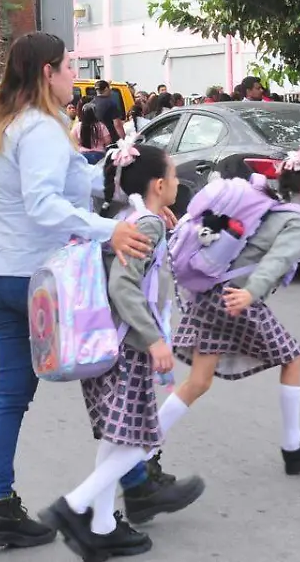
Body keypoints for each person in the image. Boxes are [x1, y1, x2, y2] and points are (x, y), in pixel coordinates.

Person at [0, 32, 202, 550]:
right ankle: (125, 489)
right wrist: (111, 230)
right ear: (46, 72)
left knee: (12, 395)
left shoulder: (7, 120)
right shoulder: (41, 129)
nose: (75, 76)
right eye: (69, 66)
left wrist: (130, 175)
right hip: (40, 281)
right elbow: (44, 204)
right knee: (106, 370)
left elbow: (85, 178)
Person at [40, 142, 204, 560]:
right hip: (129, 348)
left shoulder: (126, 218)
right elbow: (123, 286)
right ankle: (74, 506)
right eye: (173, 174)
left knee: (118, 439)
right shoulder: (145, 225)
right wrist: (153, 339)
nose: (178, 183)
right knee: (139, 441)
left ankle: (101, 525)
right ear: (159, 184)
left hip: (109, 344)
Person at [162, 149, 300, 476]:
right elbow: (276, 261)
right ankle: (293, 446)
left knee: (199, 381)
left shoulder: (278, 208)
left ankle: (143, 445)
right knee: (294, 358)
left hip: (213, 294)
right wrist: (250, 293)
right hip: (237, 298)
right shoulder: (299, 221)